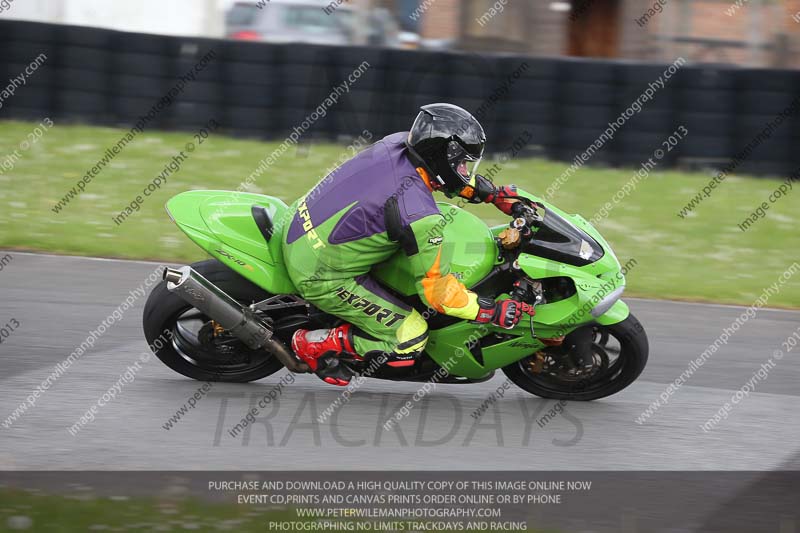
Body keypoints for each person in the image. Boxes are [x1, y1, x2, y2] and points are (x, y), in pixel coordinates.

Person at [282, 103, 535, 386]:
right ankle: (315, 344)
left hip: (301, 221)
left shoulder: (397, 143)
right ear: (441, 156)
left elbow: (444, 175)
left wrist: (490, 194)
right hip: (321, 274)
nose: (465, 170)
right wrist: (490, 310)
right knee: (411, 336)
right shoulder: (420, 217)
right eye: (463, 163)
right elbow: (437, 295)